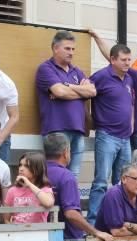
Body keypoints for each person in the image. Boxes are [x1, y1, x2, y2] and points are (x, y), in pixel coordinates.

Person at [35, 31, 95, 177]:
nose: (71, 53)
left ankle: (70, 201)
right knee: (56, 174)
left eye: (73, 49)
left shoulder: (77, 71)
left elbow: (92, 92)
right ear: (55, 48)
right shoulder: (46, 68)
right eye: (67, 48)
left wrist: (69, 86)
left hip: (78, 130)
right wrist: (80, 91)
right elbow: (59, 92)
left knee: (74, 174)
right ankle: (55, 201)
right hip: (56, 130)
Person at [86, 43, 134, 223]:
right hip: (107, 135)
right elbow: (85, 95)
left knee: (123, 183)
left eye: (129, 59)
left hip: (125, 138)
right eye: (123, 60)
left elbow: (131, 104)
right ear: (112, 59)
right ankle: (92, 223)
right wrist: (89, 120)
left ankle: (117, 220)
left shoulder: (129, 79)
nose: (127, 63)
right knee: (100, 182)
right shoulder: (101, 76)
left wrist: (131, 125)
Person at [44, 133, 113, 241]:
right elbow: (71, 213)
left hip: (41, 240)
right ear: (66, 152)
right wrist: (96, 232)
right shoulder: (66, 176)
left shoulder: (35, 173)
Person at [3, 152, 55, 224]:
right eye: (20, 165)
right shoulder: (12, 191)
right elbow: (6, 219)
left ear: (37, 169)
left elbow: (48, 203)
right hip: (17, 232)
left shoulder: (45, 189)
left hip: (38, 233)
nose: (21, 169)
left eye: (26, 166)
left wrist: (29, 185)